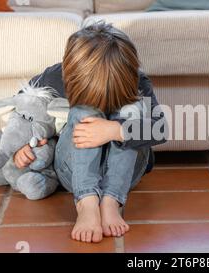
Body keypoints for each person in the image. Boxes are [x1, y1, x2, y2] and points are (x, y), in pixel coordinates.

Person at [13, 22, 167, 243]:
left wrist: (115, 130)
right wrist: (24, 144)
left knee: (132, 111)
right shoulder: (58, 75)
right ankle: (86, 202)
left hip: (125, 174)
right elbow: (25, 108)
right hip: (73, 170)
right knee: (83, 111)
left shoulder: (137, 81)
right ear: (70, 75)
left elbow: (160, 129)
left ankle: (111, 200)